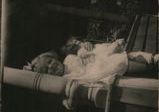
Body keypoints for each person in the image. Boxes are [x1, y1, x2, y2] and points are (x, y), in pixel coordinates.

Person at [23, 37, 158, 84]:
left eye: (50, 62)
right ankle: (150, 63)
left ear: (53, 58)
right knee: (117, 61)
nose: (51, 67)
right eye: (47, 70)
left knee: (114, 56)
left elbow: (82, 55)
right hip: (97, 72)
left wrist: (82, 52)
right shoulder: (64, 79)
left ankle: (151, 59)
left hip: (96, 62)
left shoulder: (68, 58)